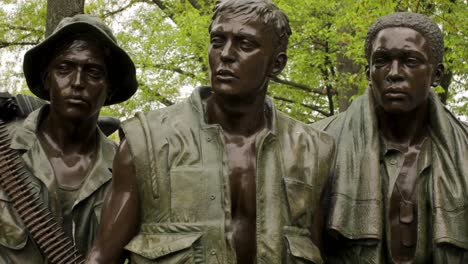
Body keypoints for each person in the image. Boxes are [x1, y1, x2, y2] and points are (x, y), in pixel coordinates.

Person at [86, 0, 335, 263]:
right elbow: (103, 256)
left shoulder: (312, 152)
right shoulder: (145, 142)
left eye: (245, 44)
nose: (226, 54)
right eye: (218, 41)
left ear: (277, 64)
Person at [313, 12, 468, 263]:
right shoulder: (318, 143)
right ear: (368, 71)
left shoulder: (464, 148)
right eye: (382, 61)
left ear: (437, 74)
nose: (394, 73)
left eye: (410, 60)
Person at [0, 14, 137, 263]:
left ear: (110, 88)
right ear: (46, 79)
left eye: (93, 72)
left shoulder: (127, 169)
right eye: (64, 68)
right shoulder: (4, 144)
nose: (77, 82)